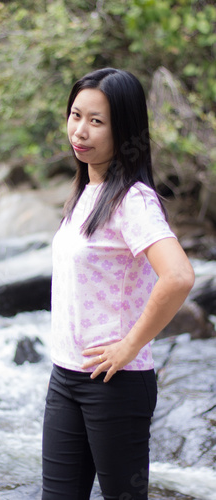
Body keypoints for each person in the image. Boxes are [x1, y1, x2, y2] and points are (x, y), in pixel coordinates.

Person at [42, 68, 195, 500]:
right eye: (75, 115)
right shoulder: (86, 191)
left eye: (97, 121)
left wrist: (128, 346)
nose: (80, 131)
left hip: (116, 383)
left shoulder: (134, 199)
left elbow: (180, 276)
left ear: (123, 128)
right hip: (66, 376)